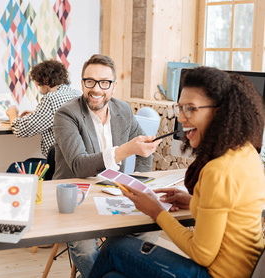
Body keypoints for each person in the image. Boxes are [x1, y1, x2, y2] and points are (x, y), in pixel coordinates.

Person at [88, 66, 265, 278]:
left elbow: (202, 254)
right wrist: (193, 202)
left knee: (114, 249)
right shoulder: (246, 151)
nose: (180, 118)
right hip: (246, 271)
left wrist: (157, 211)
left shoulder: (218, 170)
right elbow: (231, 213)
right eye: (180, 108)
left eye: (190, 108)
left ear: (219, 111)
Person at [52, 54, 161, 277]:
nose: (96, 89)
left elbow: (144, 149)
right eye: (90, 81)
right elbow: (79, 166)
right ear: (82, 83)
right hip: (76, 196)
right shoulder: (67, 114)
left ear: (113, 86)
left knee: (152, 226)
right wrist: (125, 150)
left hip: (113, 192)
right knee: (84, 248)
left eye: (104, 82)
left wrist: (138, 184)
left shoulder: (123, 110)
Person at [6, 59, 81, 157]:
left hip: (58, 164)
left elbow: (20, 129)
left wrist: (12, 113)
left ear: (45, 80)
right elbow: (58, 116)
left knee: (13, 168)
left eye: (38, 83)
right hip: (75, 159)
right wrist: (36, 114)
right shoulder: (77, 94)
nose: (39, 88)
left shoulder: (51, 98)